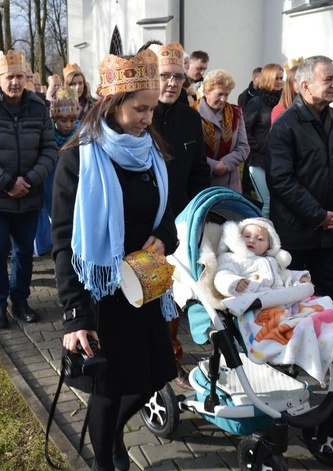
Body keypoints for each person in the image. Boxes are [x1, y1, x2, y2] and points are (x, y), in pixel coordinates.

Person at [52, 49, 177, 471]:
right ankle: (102, 468)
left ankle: (116, 434)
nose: (147, 117)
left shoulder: (151, 151)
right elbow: (65, 240)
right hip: (102, 291)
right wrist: (75, 316)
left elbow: (169, 211)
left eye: (151, 109)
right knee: (110, 387)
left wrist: (165, 237)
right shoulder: (79, 158)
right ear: (113, 104)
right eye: (140, 108)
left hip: (145, 281)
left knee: (154, 376)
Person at [0, 49, 57, 328]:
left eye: (19, 76)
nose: (15, 82)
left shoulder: (38, 108)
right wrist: (6, 182)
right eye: (9, 77)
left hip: (28, 196)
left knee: (24, 253)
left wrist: (28, 180)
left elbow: (49, 148)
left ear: (26, 78)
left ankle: (20, 301)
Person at [265, 55, 333, 308]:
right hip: (296, 233)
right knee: (293, 302)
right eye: (328, 79)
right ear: (305, 85)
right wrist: (319, 216)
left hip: (331, 233)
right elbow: (281, 181)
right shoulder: (285, 127)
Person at [148, 41, 211, 389]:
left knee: (172, 295)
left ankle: (171, 361)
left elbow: (199, 170)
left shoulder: (190, 117)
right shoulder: (138, 114)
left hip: (180, 223)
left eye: (177, 76)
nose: (171, 83)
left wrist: (200, 215)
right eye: (164, 76)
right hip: (143, 227)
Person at [34, 87, 80, 256]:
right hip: (50, 182)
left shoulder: (81, 134)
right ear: (54, 119)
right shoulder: (46, 135)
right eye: (63, 120)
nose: (68, 125)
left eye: (72, 120)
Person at [214, 218, 310, 297]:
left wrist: (299, 278)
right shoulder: (233, 258)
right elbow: (222, 275)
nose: (252, 240)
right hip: (253, 301)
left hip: (279, 298)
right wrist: (234, 283)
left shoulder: (271, 260)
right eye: (247, 236)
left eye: (259, 239)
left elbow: (284, 275)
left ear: (269, 246)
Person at [194, 69, 250, 192]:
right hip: (201, 182)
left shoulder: (236, 113)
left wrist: (225, 164)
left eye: (227, 94)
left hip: (230, 184)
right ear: (207, 92)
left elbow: (243, 147)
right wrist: (213, 166)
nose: (224, 99)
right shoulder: (192, 112)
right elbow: (190, 150)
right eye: (219, 94)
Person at [244, 63, 284, 216]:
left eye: (281, 78)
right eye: (276, 78)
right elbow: (244, 131)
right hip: (258, 160)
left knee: (275, 201)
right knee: (266, 202)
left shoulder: (282, 101)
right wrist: (262, 147)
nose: (279, 81)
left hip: (276, 160)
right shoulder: (257, 102)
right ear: (267, 79)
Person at [271, 59, 303, 123]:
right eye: (296, 80)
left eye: (302, 80)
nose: (300, 84)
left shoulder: (311, 107)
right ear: (290, 82)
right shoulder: (280, 109)